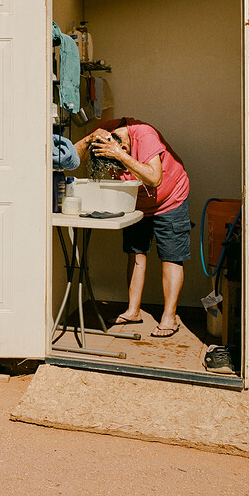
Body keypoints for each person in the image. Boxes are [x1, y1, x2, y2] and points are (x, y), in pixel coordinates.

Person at [73, 118, 191, 338]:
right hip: (138, 201)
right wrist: (88, 139)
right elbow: (71, 159)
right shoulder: (104, 134)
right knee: (135, 252)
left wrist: (119, 156)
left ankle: (169, 317)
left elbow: (155, 178)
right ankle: (132, 311)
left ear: (125, 147)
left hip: (171, 197)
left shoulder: (143, 135)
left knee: (171, 256)